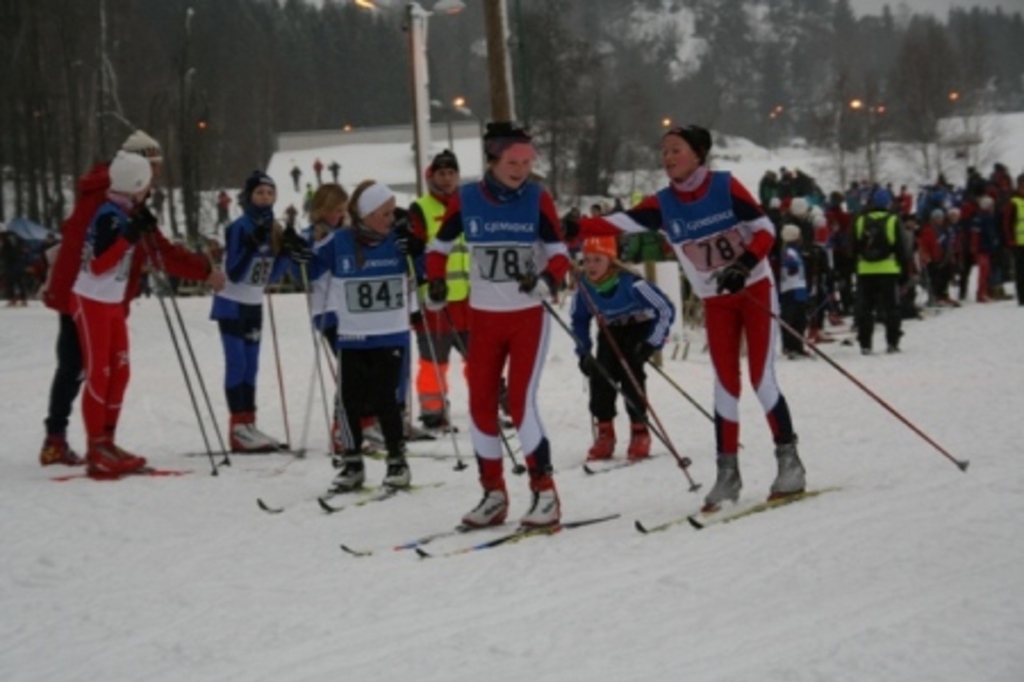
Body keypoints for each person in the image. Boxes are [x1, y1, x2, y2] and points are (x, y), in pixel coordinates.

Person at [572, 123, 806, 511]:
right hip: (717, 301)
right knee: (724, 385)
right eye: (664, 152)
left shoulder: (724, 187)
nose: (667, 158)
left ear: (698, 154)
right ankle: (728, 475)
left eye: (675, 151)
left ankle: (790, 463)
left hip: (753, 291)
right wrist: (570, 227)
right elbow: (618, 223)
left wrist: (744, 264)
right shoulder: (663, 203)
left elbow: (764, 231)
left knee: (761, 380)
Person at [39, 130, 221, 468]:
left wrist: (197, 267)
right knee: (79, 366)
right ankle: (66, 440)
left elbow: (155, 248)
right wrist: (202, 269)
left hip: (103, 295)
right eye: (153, 167)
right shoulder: (103, 199)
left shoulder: (124, 200)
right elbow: (92, 250)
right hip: (83, 294)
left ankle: (93, 440)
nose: (157, 174)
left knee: (100, 368)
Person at [425, 121, 572, 528]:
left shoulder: (537, 199)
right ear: (492, 159)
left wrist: (545, 280)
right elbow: (437, 249)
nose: (521, 169)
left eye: (527, 161)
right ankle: (493, 494)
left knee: (522, 403)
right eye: (512, 161)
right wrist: (434, 281)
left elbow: (560, 254)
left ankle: (546, 494)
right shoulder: (467, 198)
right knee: (480, 408)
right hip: (484, 320)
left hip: (526, 319)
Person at [310, 181, 414, 492]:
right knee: (349, 399)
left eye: (393, 211)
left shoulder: (399, 239)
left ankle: (397, 460)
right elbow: (312, 268)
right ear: (366, 214)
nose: (391, 217)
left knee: (386, 399)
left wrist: (417, 251)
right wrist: (295, 252)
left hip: (390, 333)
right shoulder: (339, 240)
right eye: (385, 212)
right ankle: (352, 461)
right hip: (353, 334)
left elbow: (423, 267)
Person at [210, 170, 307, 453]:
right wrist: (252, 247)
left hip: (253, 304)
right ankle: (237, 428)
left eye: (270, 193)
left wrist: (286, 252)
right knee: (237, 363)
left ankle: (248, 423)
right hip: (231, 302)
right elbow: (236, 273)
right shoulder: (239, 226)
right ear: (249, 197)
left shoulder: (274, 228)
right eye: (259, 193)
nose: (265, 198)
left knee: (252, 366)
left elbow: (272, 277)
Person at [570, 235, 674, 461]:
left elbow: (665, 309)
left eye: (597, 260)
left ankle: (640, 432)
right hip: (610, 331)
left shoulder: (632, 284)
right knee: (601, 376)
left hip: (638, 327)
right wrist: (584, 352)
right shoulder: (584, 288)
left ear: (611, 260)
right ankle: (605, 434)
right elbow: (579, 320)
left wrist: (652, 343)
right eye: (586, 260)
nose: (590, 266)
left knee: (631, 376)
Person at [406, 149, 468, 430]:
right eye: (441, 173)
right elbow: (415, 253)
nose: (447, 179)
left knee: (480, 358)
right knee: (434, 360)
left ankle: (489, 405)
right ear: (431, 176)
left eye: (451, 173)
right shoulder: (421, 208)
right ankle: (433, 411)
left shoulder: (468, 204)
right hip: (436, 299)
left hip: (470, 297)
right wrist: (426, 284)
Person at [852, 189, 908, 355]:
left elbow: (854, 246)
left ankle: (865, 344)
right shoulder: (892, 219)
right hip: (888, 269)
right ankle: (892, 342)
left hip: (865, 270)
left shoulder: (861, 220)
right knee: (891, 308)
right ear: (888, 203)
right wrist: (904, 270)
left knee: (865, 309)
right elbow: (901, 247)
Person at [778, 224, 810, 358]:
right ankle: (789, 346)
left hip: (799, 289)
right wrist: (792, 266)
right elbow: (788, 263)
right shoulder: (789, 252)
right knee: (790, 319)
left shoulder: (796, 251)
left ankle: (798, 345)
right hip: (791, 290)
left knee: (800, 320)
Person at [1006, 174, 1024, 306]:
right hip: (1018, 242)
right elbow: (1007, 223)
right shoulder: (1013, 202)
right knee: (1020, 272)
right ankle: (1022, 297)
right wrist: (1010, 240)